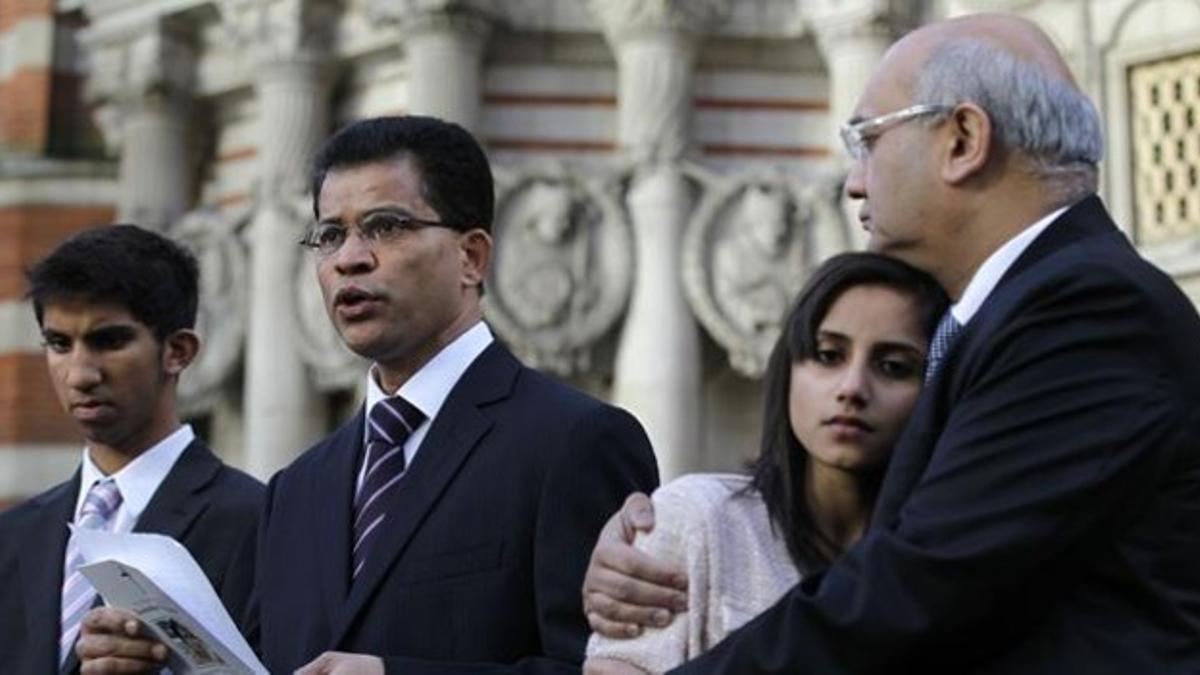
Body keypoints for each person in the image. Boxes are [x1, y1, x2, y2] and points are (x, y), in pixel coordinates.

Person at [582, 13, 1200, 673]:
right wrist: (673, 533)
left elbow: (919, 588)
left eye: (868, 140)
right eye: (826, 353)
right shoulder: (1032, 306)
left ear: (962, 139)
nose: (853, 181)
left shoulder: (1085, 309)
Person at [81, 115, 660, 675]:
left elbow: (620, 668)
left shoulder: (575, 442)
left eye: (385, 226)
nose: (349, 257)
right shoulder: (296, 489)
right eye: (330, 235)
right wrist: (154, 663)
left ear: (472, 256)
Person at [586, 253, 947, 674]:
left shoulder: (941, 553)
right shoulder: (697, 518)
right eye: (829, 355)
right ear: (788, 368)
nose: (852, 388)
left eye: (892, 367)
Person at [0, 225, 263, 674]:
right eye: (59, 344)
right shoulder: (14, 535)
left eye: (109, 341)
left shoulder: (259, 520)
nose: (79, 374)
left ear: (177, 351)